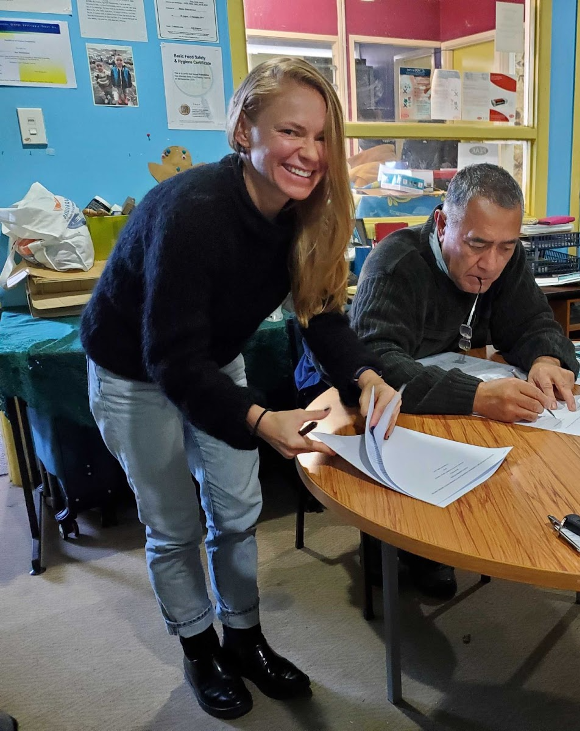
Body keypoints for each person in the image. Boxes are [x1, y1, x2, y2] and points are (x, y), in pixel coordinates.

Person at [80, 58, 402, 720]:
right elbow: (169, 358)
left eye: (321, 137)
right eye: (291, 131)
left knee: (235, 511)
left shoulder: (308, 212)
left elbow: (320, 312)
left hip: (210, 360)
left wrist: (366, 376)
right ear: (242, 129)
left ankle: (244, 636)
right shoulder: (192, 212)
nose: (309, 154)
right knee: (173, 525)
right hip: (135, 371)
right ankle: (200, 648)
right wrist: (259, 419)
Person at [296, 163, 579, 599]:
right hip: (343, 388)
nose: (492, 264)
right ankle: (391, 544)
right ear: (443, 222)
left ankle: (447, 534)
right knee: (402, 437)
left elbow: (533, 321)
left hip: (439, 377)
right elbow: (378, 365)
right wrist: (477, 396)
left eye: (506, 247)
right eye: (477, 244)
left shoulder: (504, 257)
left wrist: (544, 357)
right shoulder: (395, 263)